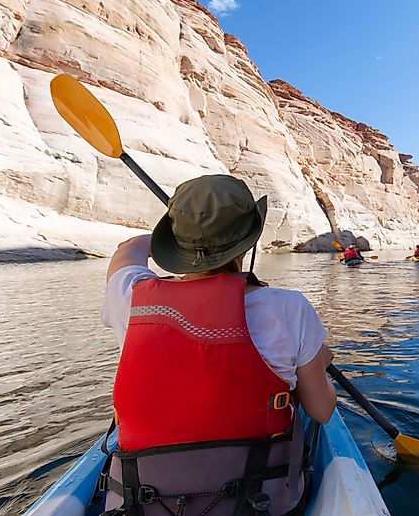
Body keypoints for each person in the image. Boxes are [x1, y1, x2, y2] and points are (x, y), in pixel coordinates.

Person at [99, 174, 336, 515]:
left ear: (173, 244)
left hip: (141, 506)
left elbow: (128, 250)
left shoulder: (131, 299)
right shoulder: (290, 307)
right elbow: (322, 411)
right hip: (260, 505)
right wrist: (320, 365)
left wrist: (184, 231)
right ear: (247, 244)